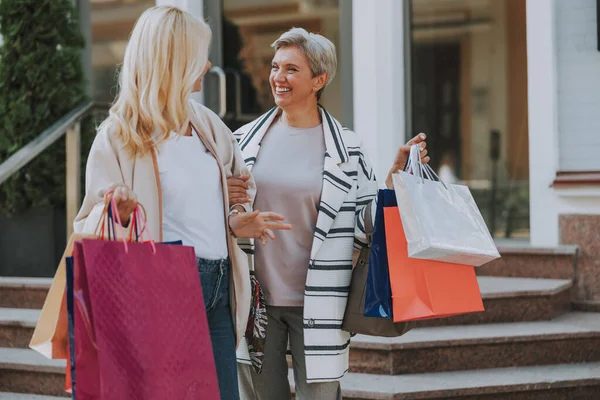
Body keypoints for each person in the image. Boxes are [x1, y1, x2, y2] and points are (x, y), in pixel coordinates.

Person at [73, 6, 291, 400]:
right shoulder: (120, 136)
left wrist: (236, 220)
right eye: (198, 56)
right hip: (164, 287)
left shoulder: (207, 124)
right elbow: (88, 224)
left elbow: (238, 188)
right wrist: (117, 213)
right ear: (172, 61)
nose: (208, 65)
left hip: (220, 284)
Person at [228, 28, 429, 400]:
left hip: (321, 302)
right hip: (255, 302)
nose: (278, 77)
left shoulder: (348, 148)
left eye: (291, 69)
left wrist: (394, 180)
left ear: (319, 79)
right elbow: (224, 215)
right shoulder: (241, 142)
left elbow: (365, 228)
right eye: (275, 67)